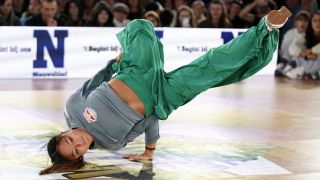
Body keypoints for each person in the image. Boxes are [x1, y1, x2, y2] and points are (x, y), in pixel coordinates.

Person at [39, 6, 292, 175]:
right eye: (76, 151)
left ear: (63, 133)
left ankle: (264, 31)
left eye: (69, 140)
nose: (78, 143)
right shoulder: (111, 144)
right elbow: (149, 121)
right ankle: (266, 28)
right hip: (164, 97)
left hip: (135, 73)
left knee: (139, 27)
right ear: (81, 156)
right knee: (213, 67)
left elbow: (96, 81)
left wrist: (114, 62)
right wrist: (148, 153)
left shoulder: (72, 107)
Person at [286, 11, 320, 80]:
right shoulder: (306, 35)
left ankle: (306, 72)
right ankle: (307, 72)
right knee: (299, 49)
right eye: (315, 21)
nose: (317, 23)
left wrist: (311, 51)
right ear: (311, 22)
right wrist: (303, 53)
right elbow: (293, 46)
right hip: (310, 60)